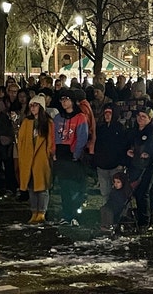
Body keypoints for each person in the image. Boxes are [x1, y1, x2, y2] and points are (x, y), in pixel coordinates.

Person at [15, 94, 55, 224]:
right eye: (31, 105)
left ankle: (42, 211)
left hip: (41, 158)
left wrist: (49, 154)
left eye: (35, 105)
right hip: (28, 158)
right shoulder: (27, 122)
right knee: (31, 186)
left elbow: (50, 141)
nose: (32, 108)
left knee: (42, 187)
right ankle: (34, 211)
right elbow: (21, 141)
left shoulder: (48, 123)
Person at [53, 89, 89, 225]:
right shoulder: (58, 118)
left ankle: (75, 215)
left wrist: (76, 154)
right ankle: (67, 215)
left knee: (75, 188)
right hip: (61, 157)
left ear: (72, 101)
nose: (64, 102)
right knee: (64, 188)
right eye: (62, 100)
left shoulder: (80, 117)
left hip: (73, 158)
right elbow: (54, 136)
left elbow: (82, 137)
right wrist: (54, 152)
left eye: (66, 99)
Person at [125, 107, 153, 229]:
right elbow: (129, 145)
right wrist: (129, 151)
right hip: (135, 165)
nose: (140, 119)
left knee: (143, 192)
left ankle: (145, 220)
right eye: (139, 116)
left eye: (144, 116)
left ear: (150, 119)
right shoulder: (134, 131)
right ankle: (137, 216)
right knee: (135, 191)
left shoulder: (152, 132)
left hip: (148, 166)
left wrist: (149, 154)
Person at [94, 103, 126, 205]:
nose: (107, 116)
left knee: (118, 190)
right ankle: (106, 212)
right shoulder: (100, 128)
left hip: (115, 165)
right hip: (102, 165)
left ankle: (119, 211)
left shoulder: (120, 129)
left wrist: (121, 162)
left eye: (110, 113)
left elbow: (123, 147)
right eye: (105, 113)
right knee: (104, 191)